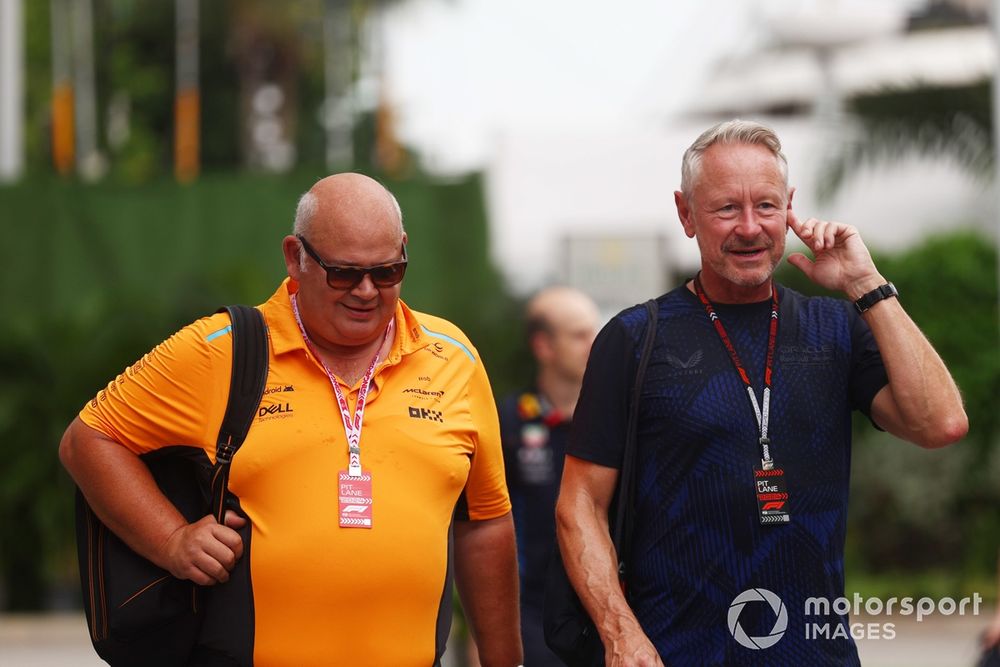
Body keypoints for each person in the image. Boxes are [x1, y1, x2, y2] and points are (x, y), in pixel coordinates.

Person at [59, 173, 522, 667]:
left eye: (387, 271)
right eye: (344, 273)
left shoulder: (453, 357)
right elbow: (88, 439)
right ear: (294, 257)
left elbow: (485, 523)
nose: (367, 291)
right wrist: (171, 539)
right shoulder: (224, 350)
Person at [555, 119, 968, 666]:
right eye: (727, 208)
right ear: (686, 214)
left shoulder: (836, 327)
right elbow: (579, 503)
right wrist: (619, 634)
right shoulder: (635, 338)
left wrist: (867, 286)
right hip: (675, 653)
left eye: (767, 206)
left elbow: (940, 424)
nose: (750, 227)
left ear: (790, 206)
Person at [499, 286, 600, 666]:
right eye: (579, 335)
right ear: (543, 346)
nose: (594, 344)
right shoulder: (508, 421)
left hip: (608, 618)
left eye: (595, 333)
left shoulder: (619, 421)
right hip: (530, 622)